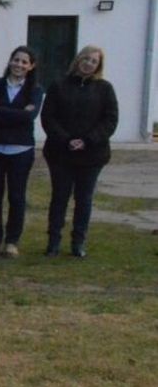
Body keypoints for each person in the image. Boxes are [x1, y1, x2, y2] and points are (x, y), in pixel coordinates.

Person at [41, 45, 119, 258]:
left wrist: (88, 140)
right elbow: (48, 117)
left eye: (94, 61)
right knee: (59, 197)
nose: (89, 64)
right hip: (61, 153)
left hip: (92, 154)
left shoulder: (105, 88)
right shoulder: (58, 86)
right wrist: (66, 139)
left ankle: (78, 242)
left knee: (84, 199)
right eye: (86, 59)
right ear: (78, 60)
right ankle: (54, 241)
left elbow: (110, 120)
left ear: (98, 66)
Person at [0, 46, 44, 258]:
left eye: (24, 62)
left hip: (20, 150)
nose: (19, 65)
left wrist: (2, 111)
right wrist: (14, 113)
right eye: (16, 60)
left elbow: (29, 117)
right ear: (10, 61)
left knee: (17, 196)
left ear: (31, 66)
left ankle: (12, 241)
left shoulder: (35, 90)